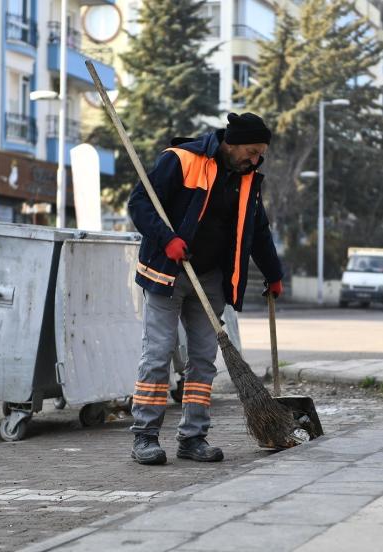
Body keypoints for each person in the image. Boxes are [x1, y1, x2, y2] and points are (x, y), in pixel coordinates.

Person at [127, 112, 284, 465]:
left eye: (260, 155)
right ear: (233, 143)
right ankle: (145, 436)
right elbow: (140, 203)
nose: (255, 160)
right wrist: (167, 239)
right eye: (252, 152)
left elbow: (258, 230)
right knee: (158, 353)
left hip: (211, 277)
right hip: (167, 272)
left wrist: (274, 274)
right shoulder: (181, 160)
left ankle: (193, 437)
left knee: (202, 360)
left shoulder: (248, 180)